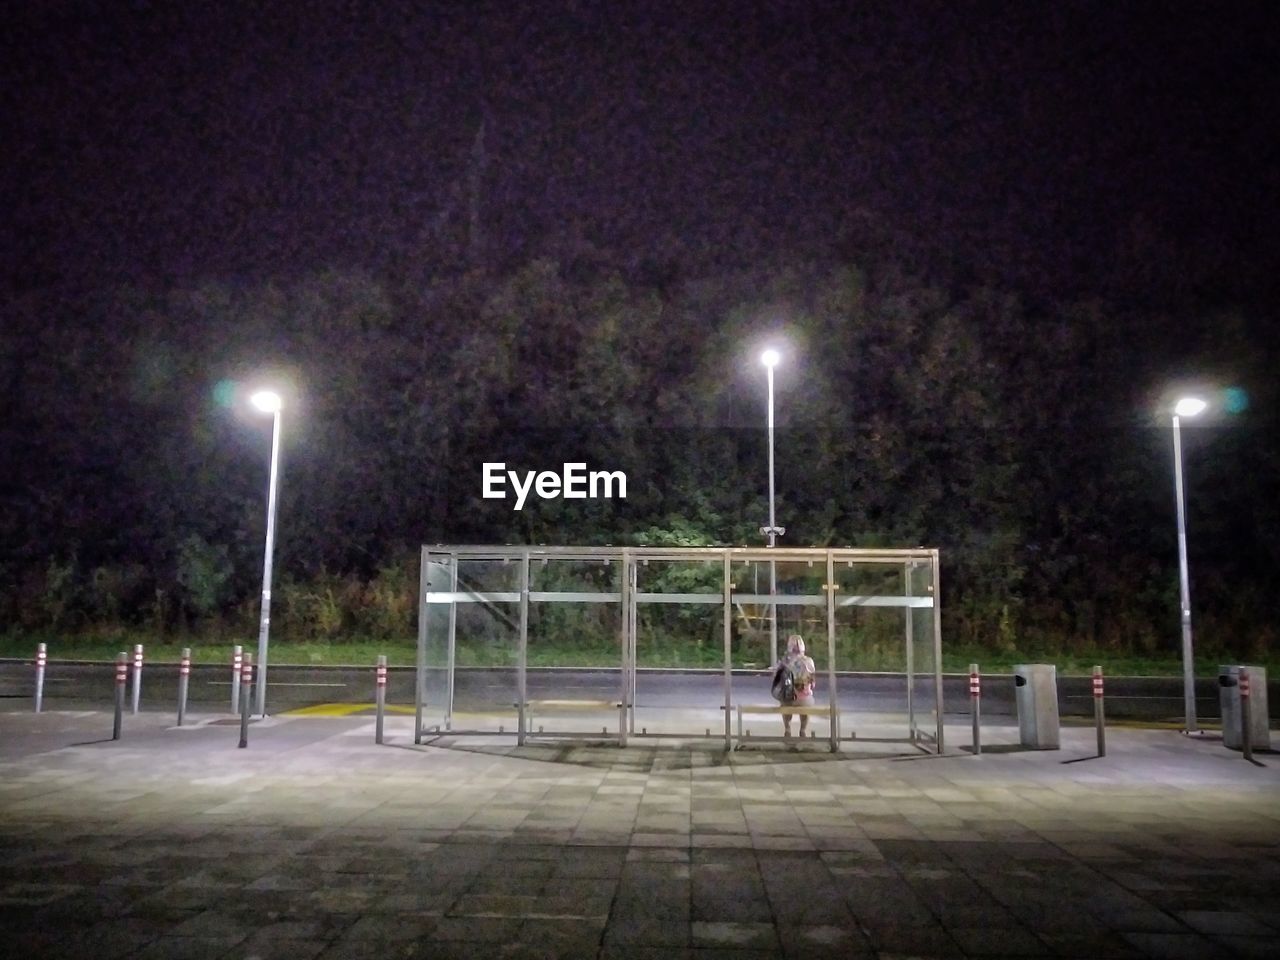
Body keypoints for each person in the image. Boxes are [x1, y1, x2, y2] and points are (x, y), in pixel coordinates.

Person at [773, 634, 817, 737]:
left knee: (784, 701)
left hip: (788, 698)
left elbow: (777, 680)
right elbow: (813, 683)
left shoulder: (784, 661)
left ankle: (787, 729)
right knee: (808, 702)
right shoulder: (808, 661)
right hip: (803, 699)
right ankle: (803, 730)